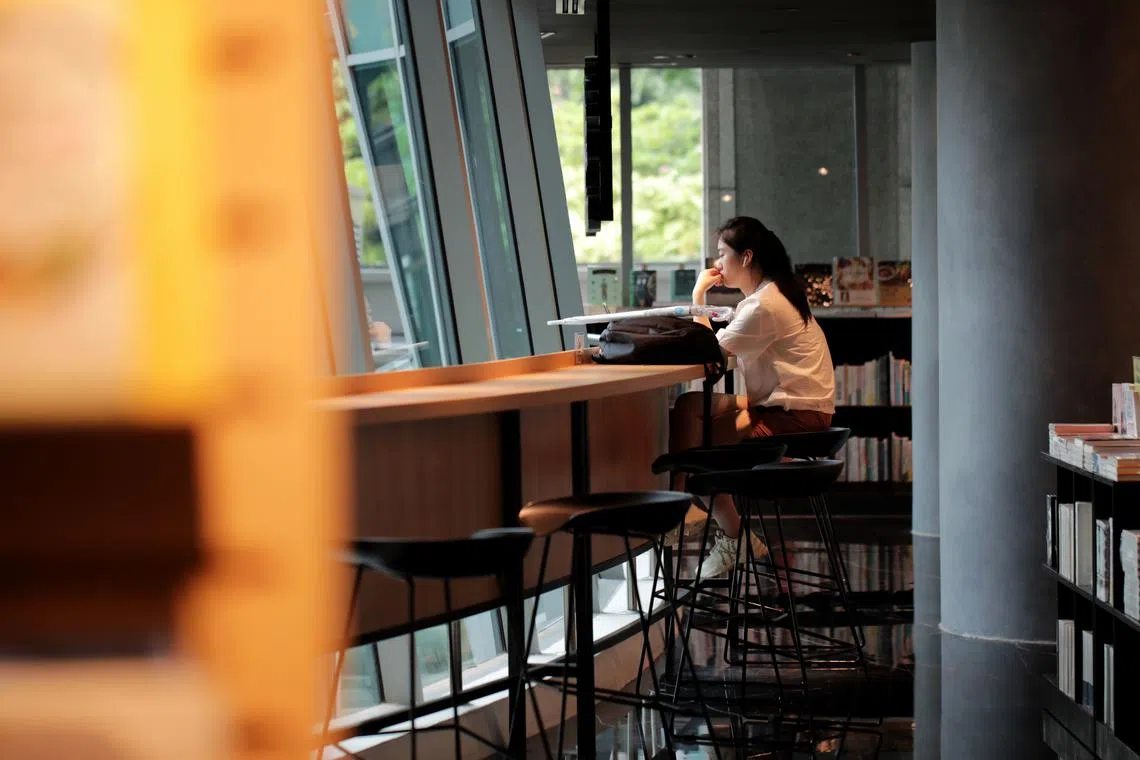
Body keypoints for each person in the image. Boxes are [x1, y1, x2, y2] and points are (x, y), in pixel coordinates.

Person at [670, 216, 836, 578]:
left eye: (721, 254)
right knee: (689, 407)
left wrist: (697, 297)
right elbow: (714, 349)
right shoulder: (772, 295)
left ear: (746, 257)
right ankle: (686, 508)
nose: (716, 263)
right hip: (793, 408)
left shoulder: (764, 306)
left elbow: (708, 352)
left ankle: (727, 533)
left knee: (698, 443)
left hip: (795, 416)